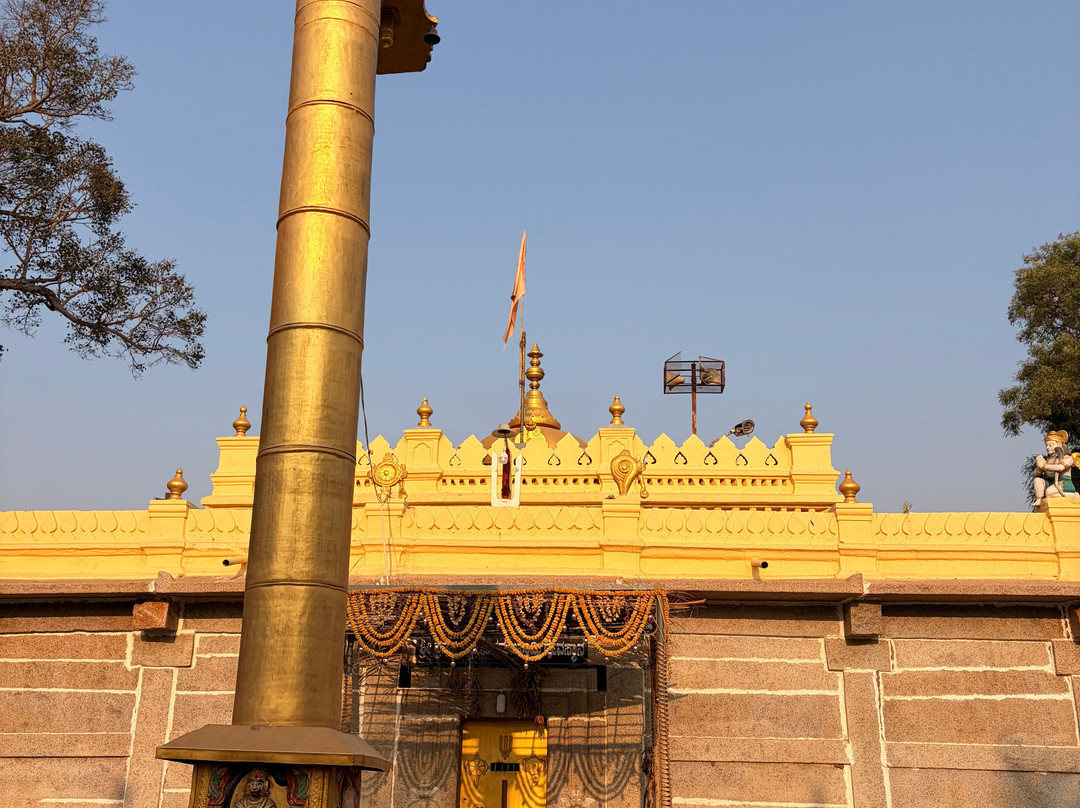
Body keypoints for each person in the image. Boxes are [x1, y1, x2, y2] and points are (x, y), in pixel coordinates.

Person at [1033, 430, 1079, 507]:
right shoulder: (1047, 460)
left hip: (1063, 483)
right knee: (1037, 480)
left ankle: (1072, 495)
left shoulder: (1068, 458)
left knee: (1049, 491)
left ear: (1058, 444)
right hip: (1050, 482)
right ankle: (1039, 499)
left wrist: (1044, 466)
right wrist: (1039, 469)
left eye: (1050, 445)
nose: (1048, 448)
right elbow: (1034, 474)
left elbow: (1060, 468)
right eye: (1046, 445)